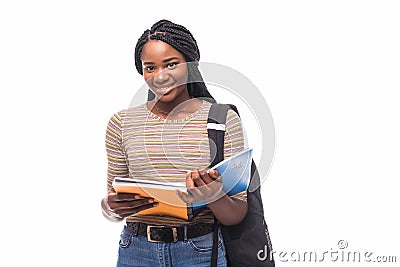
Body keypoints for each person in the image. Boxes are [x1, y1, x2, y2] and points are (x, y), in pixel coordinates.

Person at [101, 19, 248, 267]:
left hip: (199, 250)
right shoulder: (121, 123)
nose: (160, 76)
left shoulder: (222, 120)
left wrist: (213, 196)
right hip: (135, 251)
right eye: (150, 67)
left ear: (190, 65)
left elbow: (238, 213)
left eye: (171, 64)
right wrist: (110, 206)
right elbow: (111, 201)